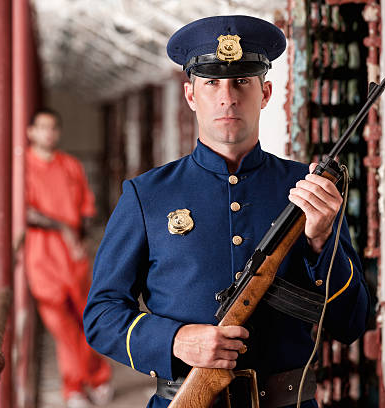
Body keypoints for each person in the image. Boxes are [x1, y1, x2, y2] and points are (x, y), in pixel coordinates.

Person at [83, 15, 370, 408]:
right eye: (212, 83)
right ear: (190, 95)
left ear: (265, 93)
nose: (227, 97)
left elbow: (351, 323)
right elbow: (101, 315)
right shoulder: (146, 195)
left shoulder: (309, 190)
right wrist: (175, 341)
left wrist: (321, 242)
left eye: (242, 82)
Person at [25, 109, 112, 408]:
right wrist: (63, 228)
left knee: (84, 319)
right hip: (42, 259)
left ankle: (94, 378)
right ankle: (78, 385)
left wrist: (83, 239)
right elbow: (26, 212)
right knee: (61, 327)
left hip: (74, 259)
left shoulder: (70, 166)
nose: (48, 133)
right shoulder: (22, 167)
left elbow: (87, 207)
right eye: (42, 128)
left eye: (53, 128)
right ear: (30, 132)